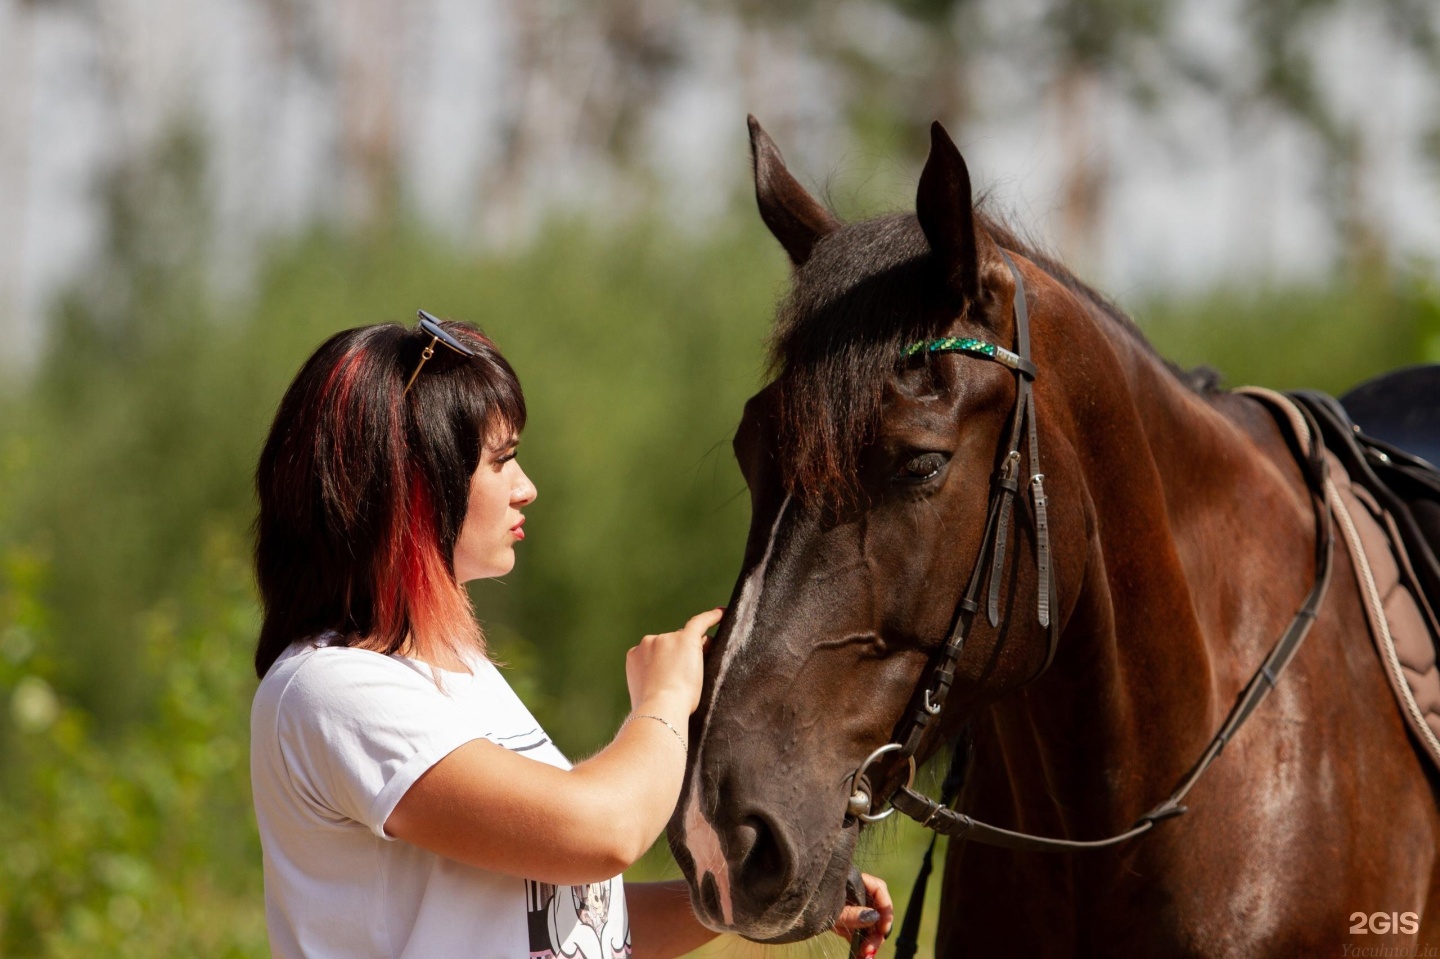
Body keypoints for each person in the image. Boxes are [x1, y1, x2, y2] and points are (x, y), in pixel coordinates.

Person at [249, 315, 893, 959]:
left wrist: (748, 894)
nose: (526, 488)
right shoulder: (333, 689)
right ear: (413, 486)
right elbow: (600, 830)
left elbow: (577, 922)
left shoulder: (457, 671)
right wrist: (662, 702)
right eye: (500, 461)